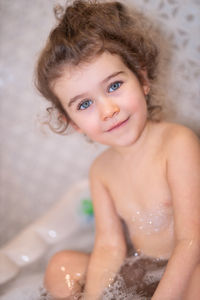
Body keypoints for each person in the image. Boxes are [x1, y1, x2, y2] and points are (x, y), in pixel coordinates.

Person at [35, 0, 200, 299]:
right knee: (61, 266)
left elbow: (191, 240)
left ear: (142, 78)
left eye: (113, 86)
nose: (108, 110)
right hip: (143, 270)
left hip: (188, 267)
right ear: (72, 122)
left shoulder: (177, 144)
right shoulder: (101, 171)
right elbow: (110, 247)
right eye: (85, 104)